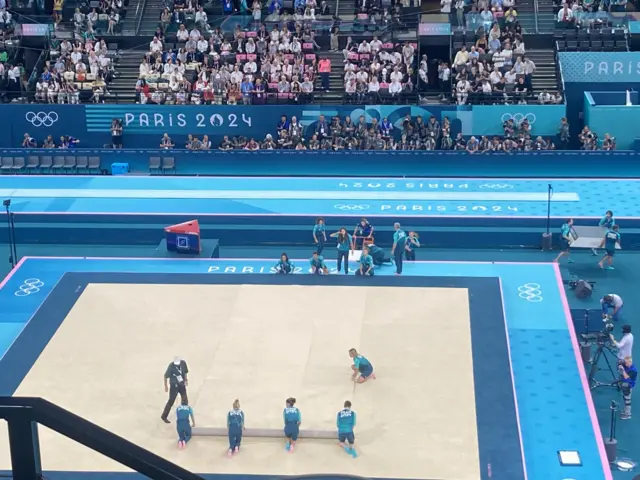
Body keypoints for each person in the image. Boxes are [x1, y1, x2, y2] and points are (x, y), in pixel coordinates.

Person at [162, 357, 189, 423]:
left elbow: (185, 372)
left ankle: (184, 416)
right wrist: (166, 386)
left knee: (185, 400)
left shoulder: (183, 363)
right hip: (174, 386)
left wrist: (186, 379)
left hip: (181, 384)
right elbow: (165, 376)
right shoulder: (171, 366)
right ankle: (164, 416)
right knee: (171, 401)